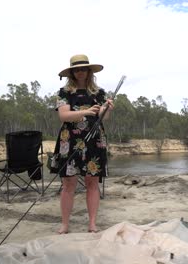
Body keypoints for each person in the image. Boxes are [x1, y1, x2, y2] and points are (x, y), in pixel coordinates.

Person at [55, 54, 114, 234]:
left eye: (83, 69)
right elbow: (63, 116)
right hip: (70, 140)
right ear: (72, 73)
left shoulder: (99, 93)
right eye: (76, 69)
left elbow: (105, 117)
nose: (80, 72)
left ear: (89, 71)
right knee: (68, 184)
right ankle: (65, 224)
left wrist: (106, 109)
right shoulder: (64, 93)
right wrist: (87, 111)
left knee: (92, 183)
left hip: (95, 140)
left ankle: (92, 224)